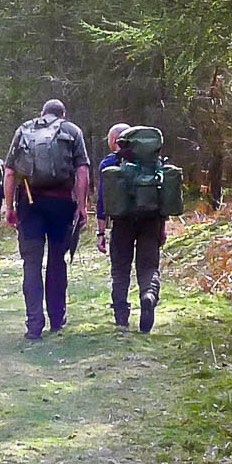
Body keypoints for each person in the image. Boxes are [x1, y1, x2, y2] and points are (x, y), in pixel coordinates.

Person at [4, 99, 91, 340]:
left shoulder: (24, 130)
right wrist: (81, 206)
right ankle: (56, 317)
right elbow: (82, 171)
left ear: (42, 114)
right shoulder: (72, 132)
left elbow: (10, 172)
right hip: (61, 203)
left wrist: (9, 206)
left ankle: (34, 323)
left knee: (31, 263)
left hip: (29, 204)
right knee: (56, 259)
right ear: (63, 114)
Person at [96, 124, 167, 333]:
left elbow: (103, 202)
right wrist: (161, 228)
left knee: (120, 270)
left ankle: (121, 317)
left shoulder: (110, 165)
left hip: (122, 223)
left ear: (116, 141)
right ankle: (148, 296)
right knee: (148, 267)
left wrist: (101, 232)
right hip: (151, 220)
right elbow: (162, 200)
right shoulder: (154, 164)